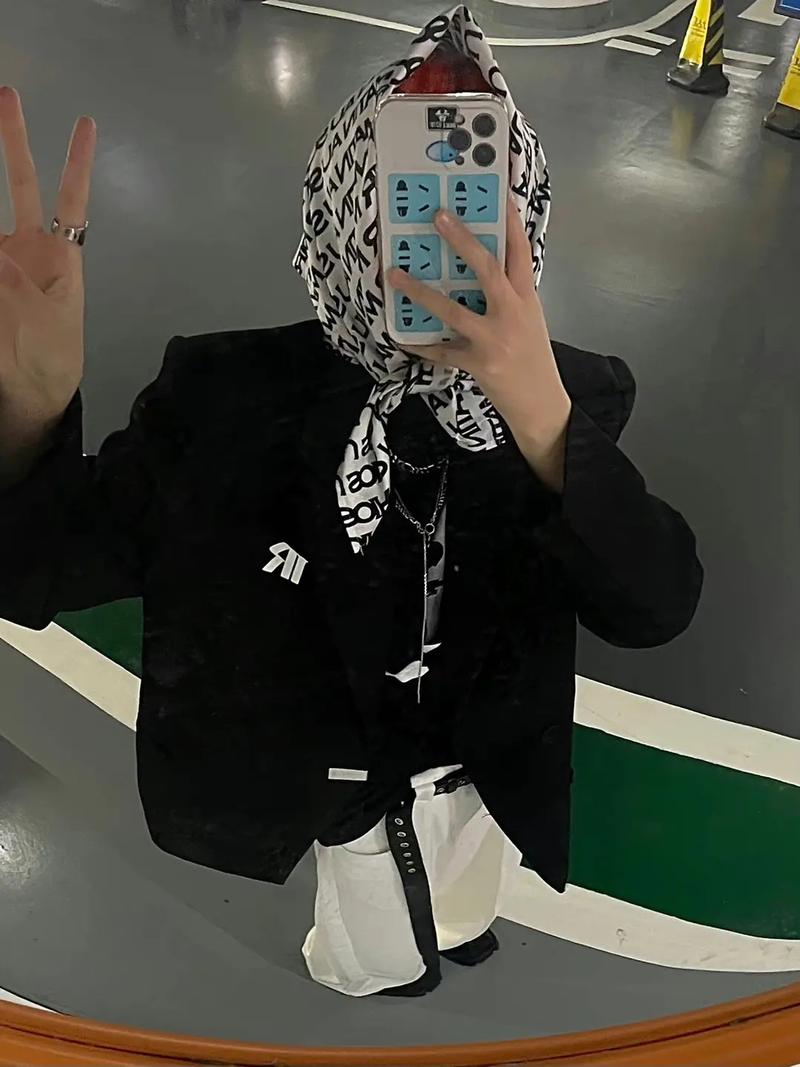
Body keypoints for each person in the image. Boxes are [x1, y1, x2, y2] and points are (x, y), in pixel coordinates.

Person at [0, 5, 702, 999]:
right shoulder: (224, 401)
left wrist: (541, 418)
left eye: (474, 200)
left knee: (460, 900)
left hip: (482, 770)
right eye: (402, 197)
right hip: (323, 788)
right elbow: (30, 566)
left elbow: (656, 603)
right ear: (338, 205)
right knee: (370, 944)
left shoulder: (563, 402)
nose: (435, 239)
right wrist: (28, 414)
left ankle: (446, 929)